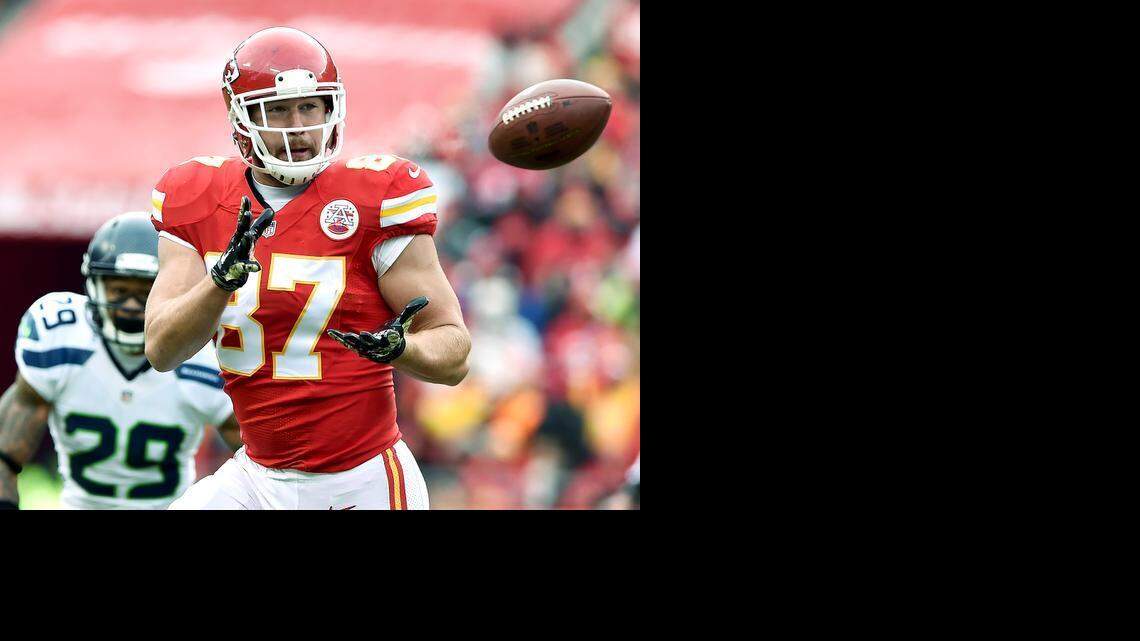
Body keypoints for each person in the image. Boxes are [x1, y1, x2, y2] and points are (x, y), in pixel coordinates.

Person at [144, 27, 471, 510]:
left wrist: (404, 349)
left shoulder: (378, 198)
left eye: (308, 107)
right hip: (256, 478)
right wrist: (218, 285)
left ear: (330, 110)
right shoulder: (197, 196)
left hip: (362, 480)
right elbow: (161, 348)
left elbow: (455, 353)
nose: (296, 125)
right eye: (276, 109)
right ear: (240, 117)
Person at [0, 213, 239, 510]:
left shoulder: (203, 356)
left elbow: (260, 463)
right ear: (95, 286)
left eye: (145, 293)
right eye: (120, 290)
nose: (130, 306)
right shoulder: (61, 337)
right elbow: (4, 458)